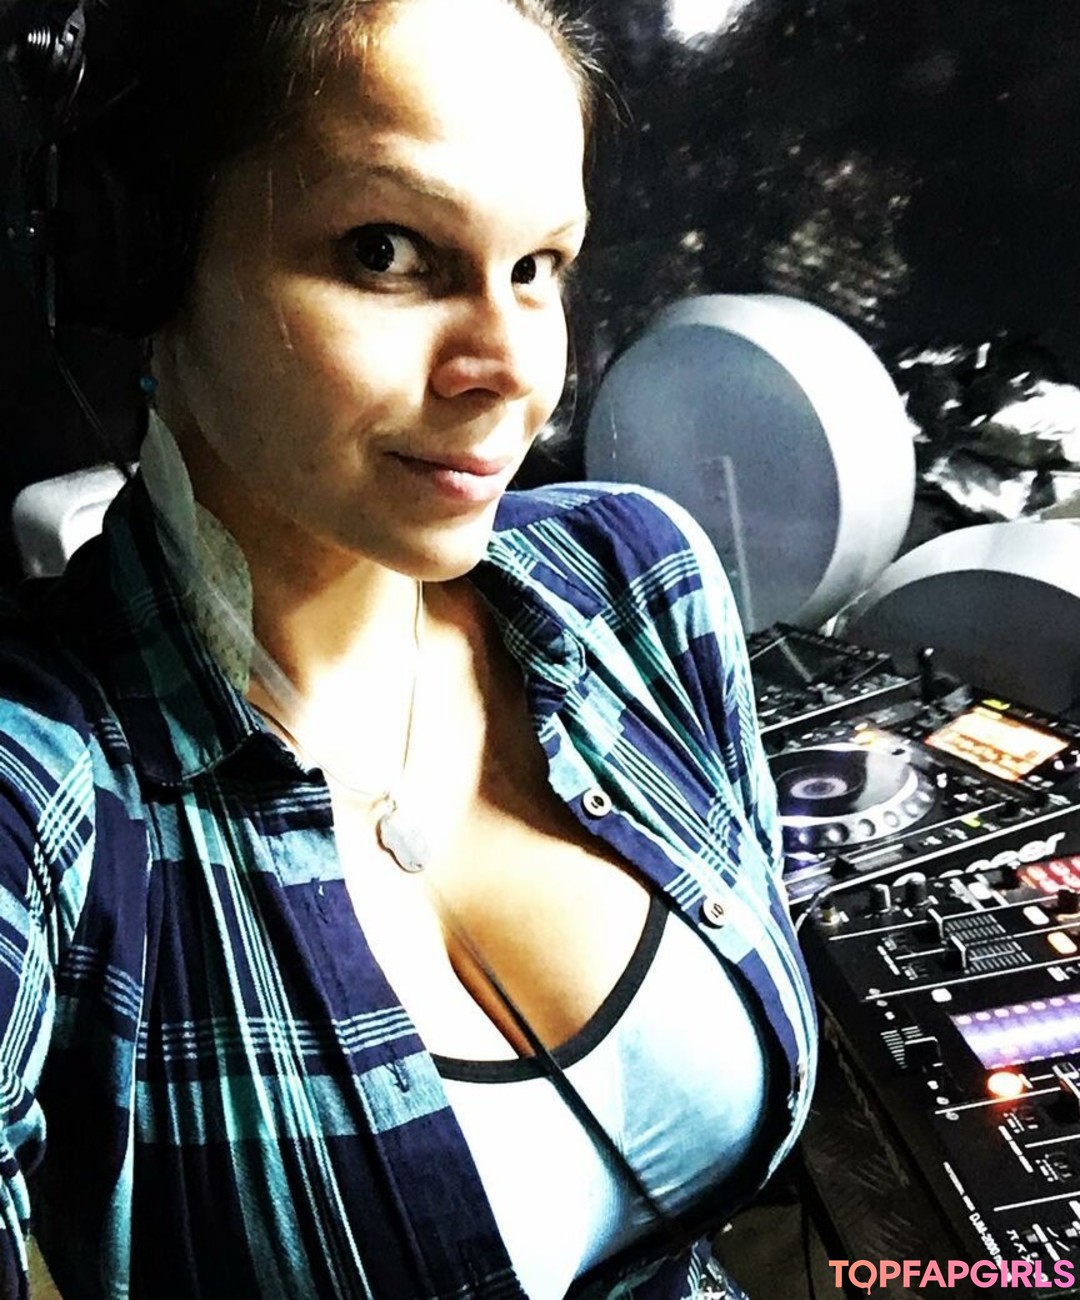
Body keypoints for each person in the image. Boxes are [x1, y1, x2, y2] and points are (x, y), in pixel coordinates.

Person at [0, 0, 818, 1296]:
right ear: (143, 254)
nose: (511, 369)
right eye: (387, 252)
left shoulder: (636, 580)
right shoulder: (41, 782)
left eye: (538, 267)